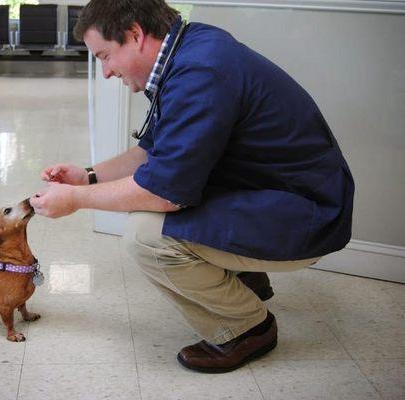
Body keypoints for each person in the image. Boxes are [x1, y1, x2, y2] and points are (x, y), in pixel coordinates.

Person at [29, 0, 354, 373]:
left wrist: (75, 200)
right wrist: (86, 176)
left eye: (105, 56)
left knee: (146, 235)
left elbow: (163, 192)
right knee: (148, 205)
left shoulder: (199, 72)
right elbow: (153, 153)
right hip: (275, 193)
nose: (105, 72)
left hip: (306, 212)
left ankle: (247, 328)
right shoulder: (188, 50)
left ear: (135, 34)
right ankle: (243, 279)